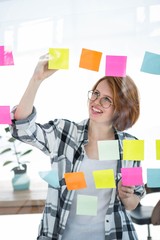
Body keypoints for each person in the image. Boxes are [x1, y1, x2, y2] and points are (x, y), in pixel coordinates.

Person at [10, 53, 145, 240]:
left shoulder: (132, 145)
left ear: (121, 108)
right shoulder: (65, 132)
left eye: (107, 99)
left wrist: (127, 195)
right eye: (96, 93)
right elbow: (23, 129)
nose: (96, 101)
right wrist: (36, 79)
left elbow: (133, 202)